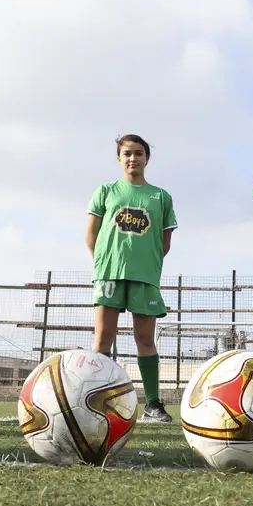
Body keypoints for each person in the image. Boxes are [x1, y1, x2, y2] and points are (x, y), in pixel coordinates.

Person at [87, 135, 178, 422]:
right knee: (103, 338)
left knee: (145, 339)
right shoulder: (106, 191)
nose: (133, 158)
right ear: (119, 158)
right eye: (127, 153)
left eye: (139, 153)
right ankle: (94, 399)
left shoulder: (160, 197)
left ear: (146, 158)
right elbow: (92, 235)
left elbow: (165, 242)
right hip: (110, 273)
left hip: (144, 276)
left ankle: (153, 404)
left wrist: (146, 265)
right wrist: (103, 264)